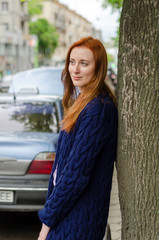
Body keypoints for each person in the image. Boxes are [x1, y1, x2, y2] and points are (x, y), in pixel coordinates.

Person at [38, 36, 118, 240]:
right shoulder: (83, 103)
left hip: (78, 220)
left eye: (84, 63)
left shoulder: (98, 109)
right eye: (72, 62)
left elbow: (75, 175)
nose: (75, 69)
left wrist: (46, 224)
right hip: (67, 214)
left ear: (98, 68)